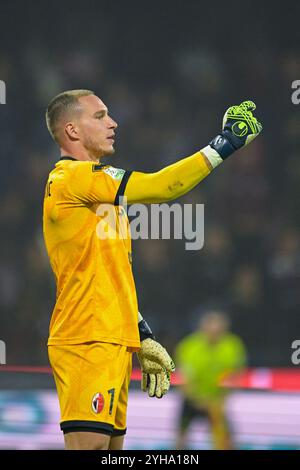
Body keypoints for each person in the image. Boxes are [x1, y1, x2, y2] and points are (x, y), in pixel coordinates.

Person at [43, 89, 262, 450]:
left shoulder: (101, 200)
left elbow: (111, 279)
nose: (112, 123)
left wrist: (140, 334)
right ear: (72, 131)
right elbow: (163, 186)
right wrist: (225, 144)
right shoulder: (72, 178)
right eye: (99, 117)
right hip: (87, 338)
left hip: (112, 340)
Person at [175, 311, 247, 450]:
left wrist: (219, 400)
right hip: (192, 401)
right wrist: (199, 400)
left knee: (227, 442)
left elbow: (236, 377)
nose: (214, 332)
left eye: (218, 329)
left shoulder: (233, 346)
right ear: (202, 328)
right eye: (210, 328)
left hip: (217, 402)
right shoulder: (189, 347)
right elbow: (183, 380)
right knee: (180, 440)